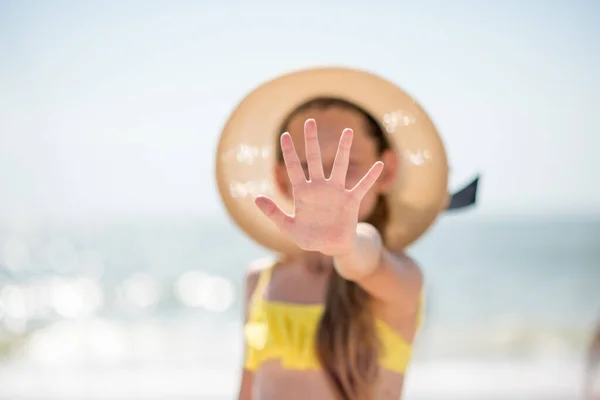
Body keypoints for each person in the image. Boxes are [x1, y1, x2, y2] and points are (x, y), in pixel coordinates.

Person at [215, 67, 477, 400]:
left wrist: (346, 242)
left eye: (345, 165)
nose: (326, 185)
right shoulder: (261, 280)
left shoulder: (401, 280)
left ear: (387, 170)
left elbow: (365, 259)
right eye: (307, 168)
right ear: (282, 178)